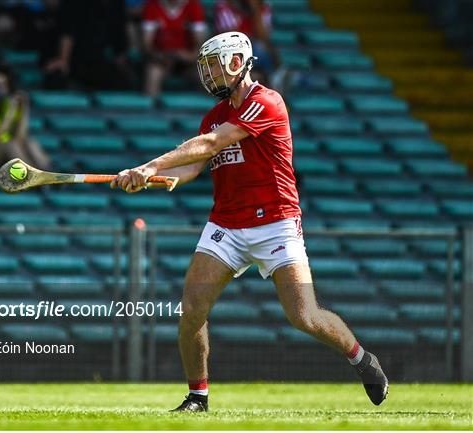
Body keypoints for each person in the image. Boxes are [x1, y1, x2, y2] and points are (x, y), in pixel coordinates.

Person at [112, 31, 389, 411]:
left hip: (276, 221)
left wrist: (151, 164)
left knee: (304, 316)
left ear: (237, 63)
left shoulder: (266, 102)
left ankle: (361, 358)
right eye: (205, 66)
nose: (207, 73)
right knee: (191, 310)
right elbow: (194, 165)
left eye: (213, 65)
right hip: (226, 224)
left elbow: (209, 145)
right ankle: (198, 397)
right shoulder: (214, 116)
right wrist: (148, 179)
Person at [44, 0, 130, 90]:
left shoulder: (117, 4)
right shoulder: (75, 3)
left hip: (96, 61)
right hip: (69, 58)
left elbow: (120, 41)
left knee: (122, 80)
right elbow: (67, 32)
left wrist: (122, 66)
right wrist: (63, 59)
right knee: (57, 77)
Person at [141, 0, 207, 97]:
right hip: (161, 60)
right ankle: (151, 109)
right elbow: (146, 44)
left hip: (188, 61)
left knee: (206, 75)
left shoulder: (193, 6)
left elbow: (201, 44)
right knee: (153, 75)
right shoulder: (152, 5)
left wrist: (189, 57)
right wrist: (161, 57)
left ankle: (209, 109)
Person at [214, 0, 280, 83]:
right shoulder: (224, 5)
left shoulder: (263, 6)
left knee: (265, 49)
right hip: (230, 51)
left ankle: (272, 80)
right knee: (258, 50)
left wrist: (255, 9)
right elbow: (232, 38)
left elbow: (263, 36)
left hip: (255, 51)